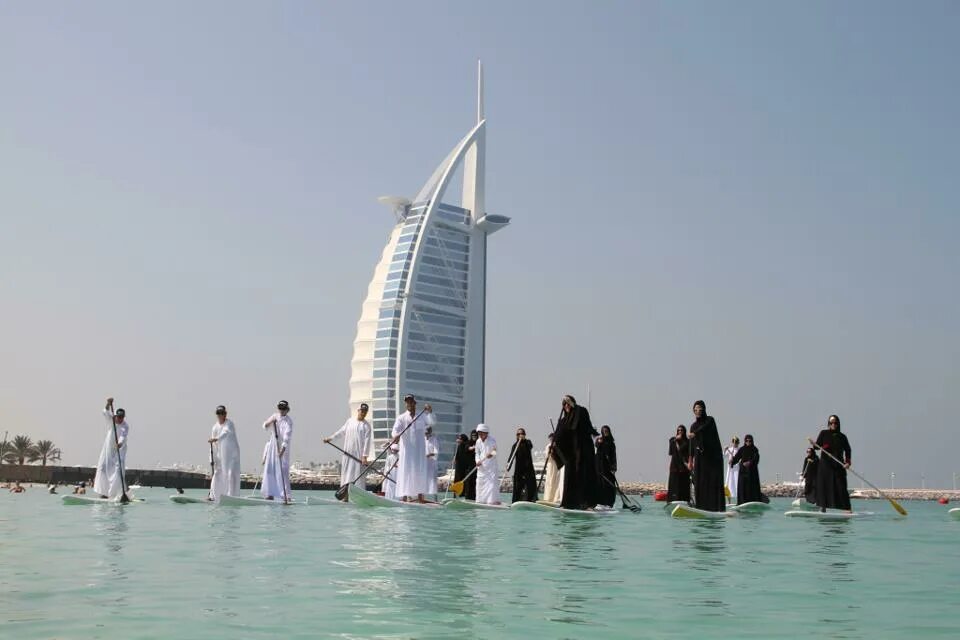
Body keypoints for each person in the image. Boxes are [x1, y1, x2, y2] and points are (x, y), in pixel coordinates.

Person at [556, 395, 599, 510]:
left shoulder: (581, 411)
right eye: (564, 404)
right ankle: (569, 503)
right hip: (571, 453)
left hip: (583, 450)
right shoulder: (563, 420)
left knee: (584, 475)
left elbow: (584, 423)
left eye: (568, 404)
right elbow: (560, 435)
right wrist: (555, 444)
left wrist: (574, 405)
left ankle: (586, 503)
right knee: (570, 476)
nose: (566, 406)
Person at [391, 395, 435, 502]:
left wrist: (430, 411)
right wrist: (395, 436)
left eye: (411, 402)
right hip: (407, 451)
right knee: (405, 472)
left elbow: (432, 422)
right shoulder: (401, 418)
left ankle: (420, 498)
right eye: (407, 402)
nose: (409, 404)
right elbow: (395, 431)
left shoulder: (422, 415)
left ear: (415, 403)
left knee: (420, 471)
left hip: (419, 450)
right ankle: (404, 497)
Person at [325, 403, 372, 496]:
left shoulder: (367, 426)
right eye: (362, 411)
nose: (363, 413)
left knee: (358, 476)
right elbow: (341, 431)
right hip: (348, 454)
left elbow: (367, 442)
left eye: (365, 412)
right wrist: (331, 438)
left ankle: (359, 495)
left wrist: (365, 457)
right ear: (358, 411)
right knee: (346, 475)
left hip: (359, 456)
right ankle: (344, 496)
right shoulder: (350, 421)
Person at [688, 400, 724, 512]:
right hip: (700, 457)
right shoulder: (693, 426)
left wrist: (695, 433)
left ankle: (716, 507)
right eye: (695, 409)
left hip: (713, 458)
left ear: (704, 409)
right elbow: (691, 444)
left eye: (699, 409)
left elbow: (705, 428)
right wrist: (690, 460)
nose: (697, 411)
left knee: (713, 481)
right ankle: (702, 507)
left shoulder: (710, 420)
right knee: (700, 482)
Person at [94, 397, 130, 500]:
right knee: (103, 468)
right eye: (119, 417)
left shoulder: (125, 426)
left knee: (118, 471)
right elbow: (105, 411)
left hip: (120, 450)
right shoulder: (112, 420)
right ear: (116, 416)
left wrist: (120, 444)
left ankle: (120, 492)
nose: (120, 419)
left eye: (122, 417)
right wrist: (108, 403)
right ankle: (104, 493)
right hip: (108, 449)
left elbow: (123, 436)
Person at [815, 414, 852, 512]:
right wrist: (816, 445)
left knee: (841, 486)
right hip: (825, 465)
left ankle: (847, 509)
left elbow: (848, 450)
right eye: (831, 422)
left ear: (838, 424)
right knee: (824, 486)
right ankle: (822, 508)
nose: (833, 424)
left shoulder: (842, 437)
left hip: (838, 465)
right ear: (828, 423)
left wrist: (847, 462)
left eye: (835, 423)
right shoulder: (823, 433)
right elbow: (817, 447)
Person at [261, 400, 293, 501]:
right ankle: (270, 493)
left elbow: (287, 437)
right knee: (270, 470)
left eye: (283, 408)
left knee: (283, 471)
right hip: (273, 445)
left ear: (287, 410)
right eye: (280, 408)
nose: (281, 410)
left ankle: (286, 496)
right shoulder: (274, 416)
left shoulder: (289, 421)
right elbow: (264, 426)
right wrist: (270, 422)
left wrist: (282, 450)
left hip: (283, 447)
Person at [209, 405, 242, 501]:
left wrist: (216, 438)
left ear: (225, 414)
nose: (220, 415)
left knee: (231, 474)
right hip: (220, 455)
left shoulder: (229, 424)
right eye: (218, 413)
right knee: (217, 473)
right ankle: (213, 496)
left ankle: (231, 496)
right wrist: (212, 459)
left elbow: (225, 433)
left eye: (222, 413)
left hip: (232, 455)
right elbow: (213, 445)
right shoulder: (214, 427)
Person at [730, 434, 762, 505]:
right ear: (745, 441)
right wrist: (732, 462)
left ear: (752, 441)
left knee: (751, 488)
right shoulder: (742, 449)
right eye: (747, 441)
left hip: (752, 473)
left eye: (750, 441)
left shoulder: (755, 449)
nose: (748, 442)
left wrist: (749, 462)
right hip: (743, 472)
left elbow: (756, 459)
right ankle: (742, 503)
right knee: (742, 487)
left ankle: (753, 502)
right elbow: (737, 457)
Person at [509, 427, 538, 503]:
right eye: (518, 434)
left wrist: (523, 440)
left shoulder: (528, 442)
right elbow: (511, 457)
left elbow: (530, 446)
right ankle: (516, 501)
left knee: (530, 486)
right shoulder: (515, 446)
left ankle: (532, 500)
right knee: (518, 487)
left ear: (524, 435)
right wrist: (508, 466)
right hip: (519, 469)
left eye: (521, 434)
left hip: (528, 469)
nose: (520, 435)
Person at [474, 424, 499, 505]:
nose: (480, 435)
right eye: (479, 433)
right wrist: (477, 461)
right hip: (481, 466)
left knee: (491, 484)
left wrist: (491, 454)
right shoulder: (478, 441)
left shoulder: (492, 440)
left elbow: (495, 451)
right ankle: (480, 500)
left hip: (491, 466)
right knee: (479, 482)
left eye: (481, 433)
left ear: (486, 433)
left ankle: (491, 501)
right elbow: (477, 453)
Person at [595, 425, 618, 508]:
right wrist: (599, 442)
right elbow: (596, 445)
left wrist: (614, 468)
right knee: (599, 483)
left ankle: (609, 502)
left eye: (606, 431)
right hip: (599, 465)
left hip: (608, 466)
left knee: (610, 484)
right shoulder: (599, 440)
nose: (605, 432)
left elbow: (613, 456)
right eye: (604, 431)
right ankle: (599, 501)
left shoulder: (611, 443)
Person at [667, 425, 692, 502]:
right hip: (675, 465)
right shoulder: (673, 440)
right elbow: (670, 452)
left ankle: (684, 500)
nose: (680, 432)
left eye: (681, 430)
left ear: (684, 431)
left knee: (683, 483)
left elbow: (686, 452)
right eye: (678, 430)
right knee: (674, 483)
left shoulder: (687, 441)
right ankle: (672, 499)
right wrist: (675, 440)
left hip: (683, 466)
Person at [542, 433, 565, 505]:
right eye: (550, 438)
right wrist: (551, 452)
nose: (551, 439)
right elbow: (547, 457)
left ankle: (556, 498)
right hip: (550, 465)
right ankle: (548, 498)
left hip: (557, 465)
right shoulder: (548, 446)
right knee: (549, 481)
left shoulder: (558, 446)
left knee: (556, 481)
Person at [724, 436, 740, 504]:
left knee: (737, 484)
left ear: (738, 443)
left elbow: (741, 459)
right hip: (730, 470)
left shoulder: (740, 450)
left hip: (736, 469)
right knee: (728, 484)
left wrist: (735, 461)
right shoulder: (729, 449)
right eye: (733, 442)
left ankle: (739, 501)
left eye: (736, 442)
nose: (735, 443)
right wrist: (724, 450)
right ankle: (729, 502)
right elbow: (723, 456)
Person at [424, 425, 439, 497]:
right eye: (425, 433)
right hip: (424, 463)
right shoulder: (423, 439)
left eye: (427, 432)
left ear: (430, 432)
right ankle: (422, 497)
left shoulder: (434, 440)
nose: (426, 434)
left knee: (432, 480)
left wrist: (429, 454)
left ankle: (434, 497)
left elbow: (436, 452)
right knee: (423, 479)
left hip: (432, 462)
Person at [464, 429, 479, 500]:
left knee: (476, 483)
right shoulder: (469, 442)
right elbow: (467, 448)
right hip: (470, 466)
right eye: (473, 435)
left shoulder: (480, 442)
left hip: (478, 466)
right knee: (469, 482)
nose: (474, 436)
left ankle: (476, 498)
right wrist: (473, 447)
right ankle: (468, 498)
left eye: (475, 435)